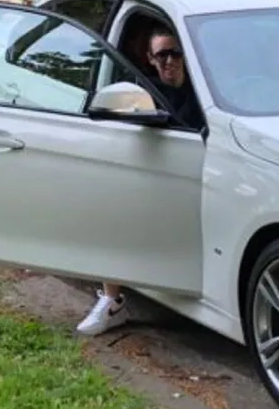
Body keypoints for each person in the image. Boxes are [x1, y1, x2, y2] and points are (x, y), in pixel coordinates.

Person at [76, 22, 205, 336]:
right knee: (113, 211)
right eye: (162, 56)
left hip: (197, 177)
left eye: (176, 54)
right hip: (150, 174)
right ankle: (111, 300)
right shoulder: (143, 89)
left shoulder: (203, 91)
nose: (170, 62)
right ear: (149, 58)